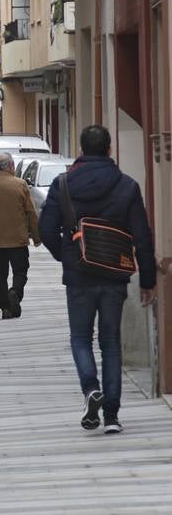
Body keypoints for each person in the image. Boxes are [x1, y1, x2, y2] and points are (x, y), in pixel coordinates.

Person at [39, 124, 156, 434]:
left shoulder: (62, 184)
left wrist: (66, 256)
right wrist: (147, 279)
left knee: (80, 338)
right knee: (111, 343)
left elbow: (45, 230)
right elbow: (142, 236)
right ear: (108, 150)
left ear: (81, 149)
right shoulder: (127, 186)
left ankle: (91, 388)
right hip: (115, 275)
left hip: (78, 274)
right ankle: (112, 416)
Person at [0, 151, 41, 319]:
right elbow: (31, 212)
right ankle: (15, 292)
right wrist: (36, 236)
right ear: (11, 166)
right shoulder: (20, 185)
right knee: (20, 270)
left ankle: (5, 307)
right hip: (18, 238)